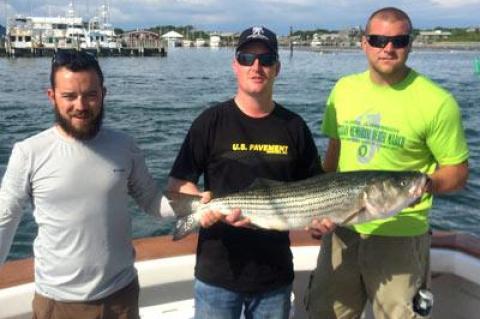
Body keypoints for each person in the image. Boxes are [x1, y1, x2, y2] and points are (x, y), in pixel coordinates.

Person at [304, 7, 469, 319]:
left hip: (402, 237)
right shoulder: (343, 90)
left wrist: (428, 184)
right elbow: (332, 160)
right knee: (325, 313)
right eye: (379, 40)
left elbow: (458, 172)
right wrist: (317, 210)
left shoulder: (438, 102)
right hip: (343, 230)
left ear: (410, 43)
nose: (388, 48)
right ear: (364, 43)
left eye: (399, 40)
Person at [0, 50, 183, 319]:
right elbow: (5, 219)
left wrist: (195, 205)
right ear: (51, 96)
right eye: (69, 96)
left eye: (90, 95)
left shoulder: (124, 146)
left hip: (121, 298)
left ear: (103, 94)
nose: (81, 105)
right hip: (57, 303)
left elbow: (153, 203)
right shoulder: (28, 152)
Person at [167, 26, 323, 319]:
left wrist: (320, 223)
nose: (256, 66)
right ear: (234, 64)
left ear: (277, 67)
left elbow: (316, 190)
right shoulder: (210, 121)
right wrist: (201, 205)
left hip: (274, 277)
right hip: (217, 275)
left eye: (265, 59)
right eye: (247, 57)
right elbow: (179, 182)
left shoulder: (294, 126)